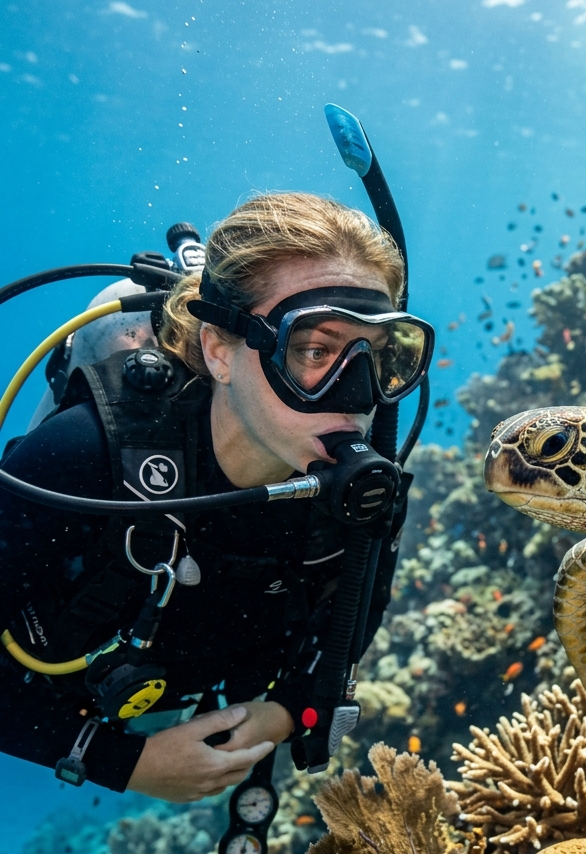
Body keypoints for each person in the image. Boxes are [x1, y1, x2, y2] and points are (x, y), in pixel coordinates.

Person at [0, 191, 431, 802]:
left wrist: (283, 711)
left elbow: (352, 618)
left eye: (378, 355)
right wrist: (117, 761)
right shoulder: (78, 461)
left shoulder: (358, 490)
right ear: (220, 350)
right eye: (315, 350)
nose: (356, 395)